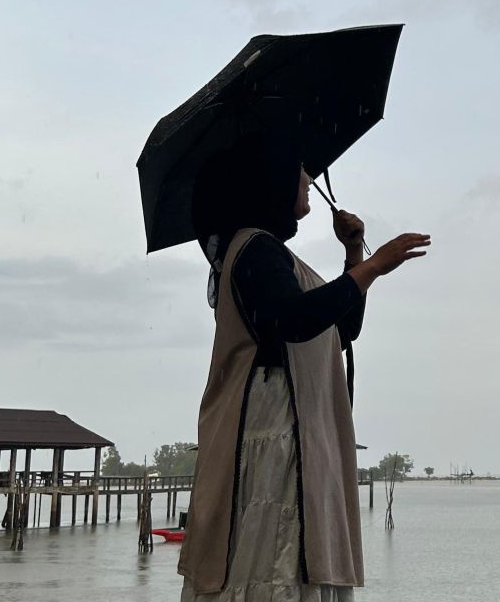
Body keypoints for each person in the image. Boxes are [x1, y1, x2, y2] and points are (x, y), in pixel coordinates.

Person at [179, 132, 430, 601]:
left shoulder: (272, 254)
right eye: (299, 171)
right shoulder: (254, 248)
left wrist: (353, 253)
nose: (309, 180)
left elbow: (341, 328)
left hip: (303, 431)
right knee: (276, 557)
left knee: (295, 557)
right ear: (271, 180)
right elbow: (292, 320)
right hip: (275, 426)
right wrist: (374, 265)